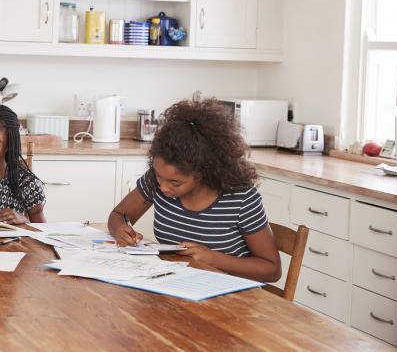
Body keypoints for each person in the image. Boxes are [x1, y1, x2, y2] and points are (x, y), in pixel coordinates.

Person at [107, 98, 281, 283]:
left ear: (202, 173)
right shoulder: (155, 182)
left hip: (231, 294)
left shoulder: (240, 198)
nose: (163, 187)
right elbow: (118, 214)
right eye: (159, 176)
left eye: (175, 183)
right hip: (178, 284)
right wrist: (120, 230)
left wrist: (212, 258)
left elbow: (272, 270)